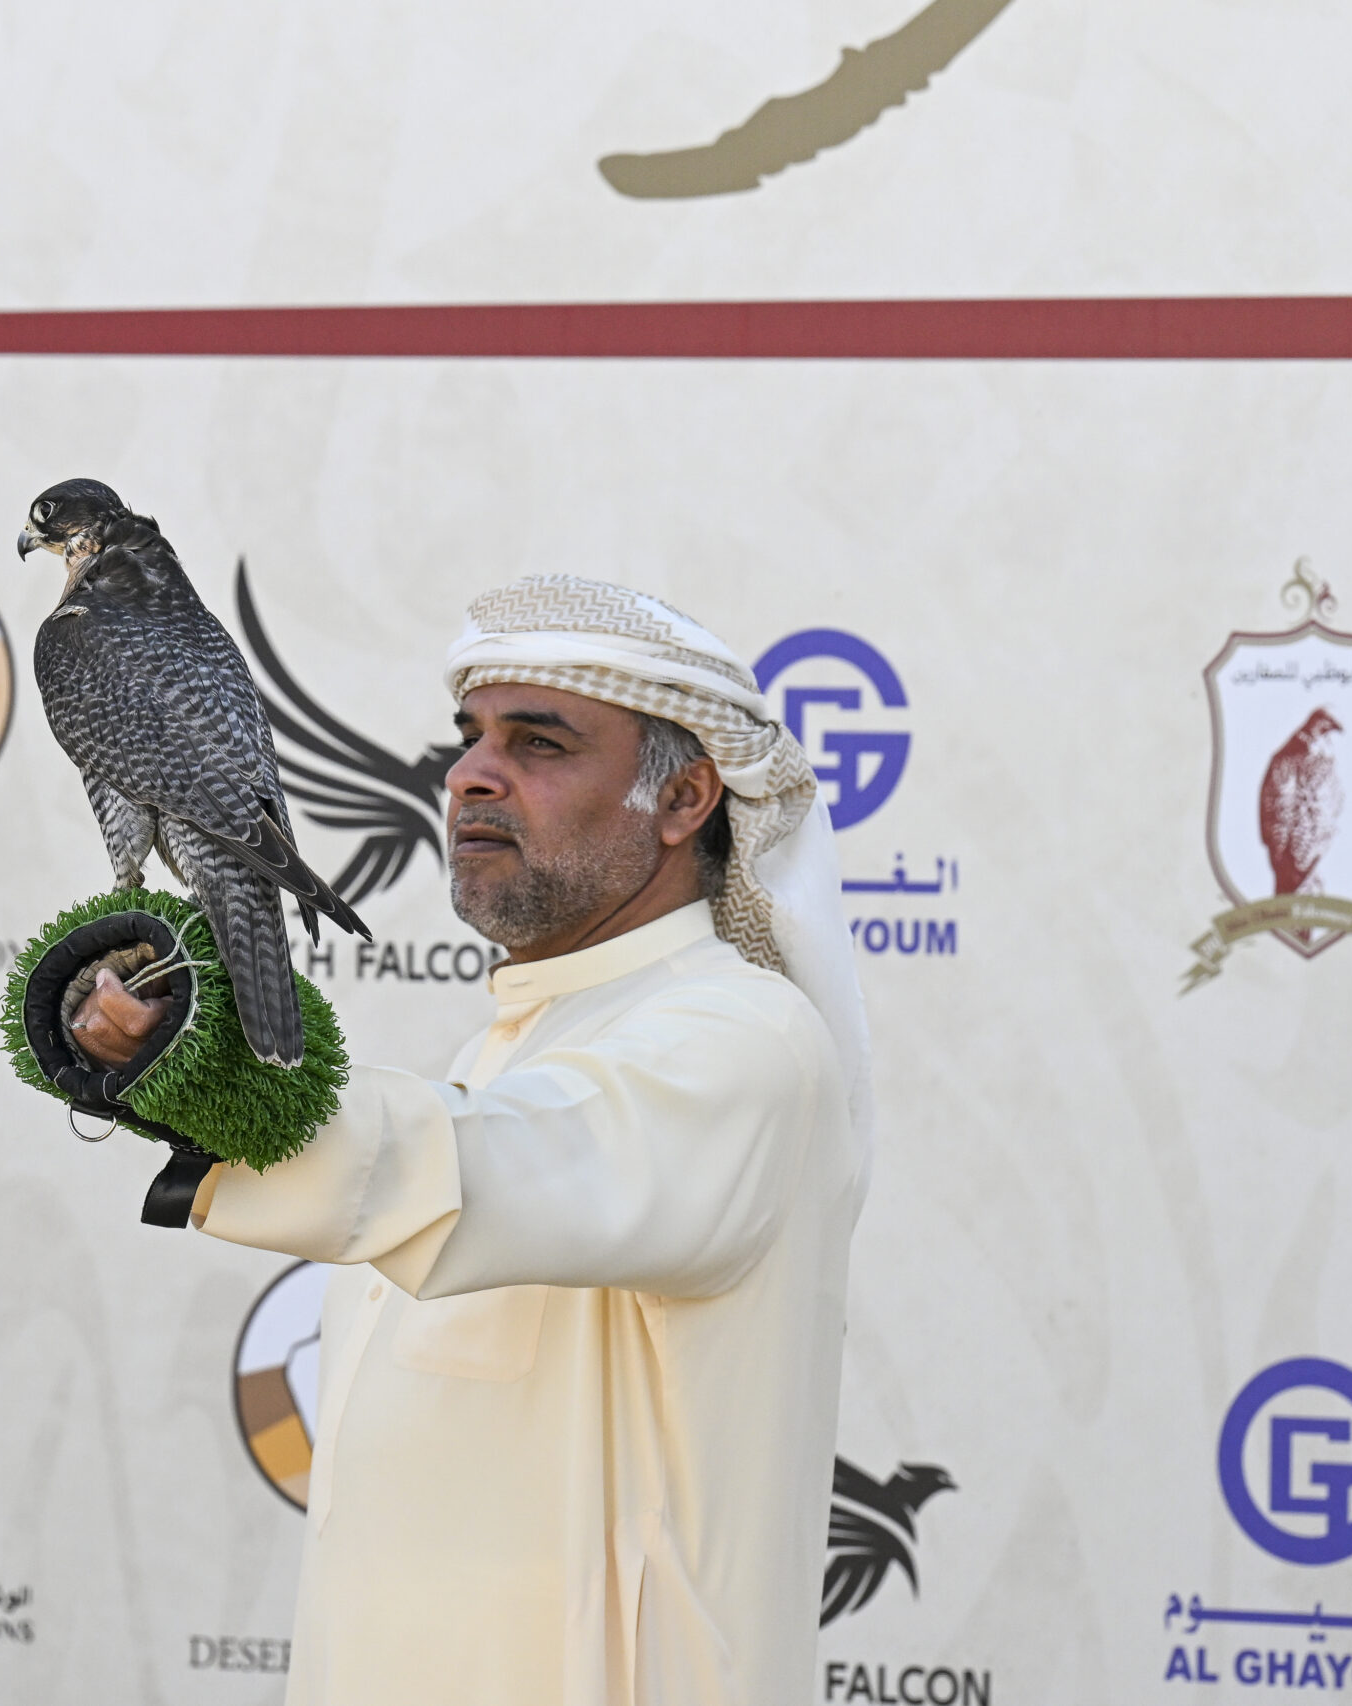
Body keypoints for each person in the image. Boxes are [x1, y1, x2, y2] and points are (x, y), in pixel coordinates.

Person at [68, 574, 873, 1706]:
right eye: (470, 739)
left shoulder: (746, 1045)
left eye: (538, 743)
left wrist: (204, 1070)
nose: (469, 775)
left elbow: (479, 1171)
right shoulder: (503, 1051)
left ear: (684, 796)